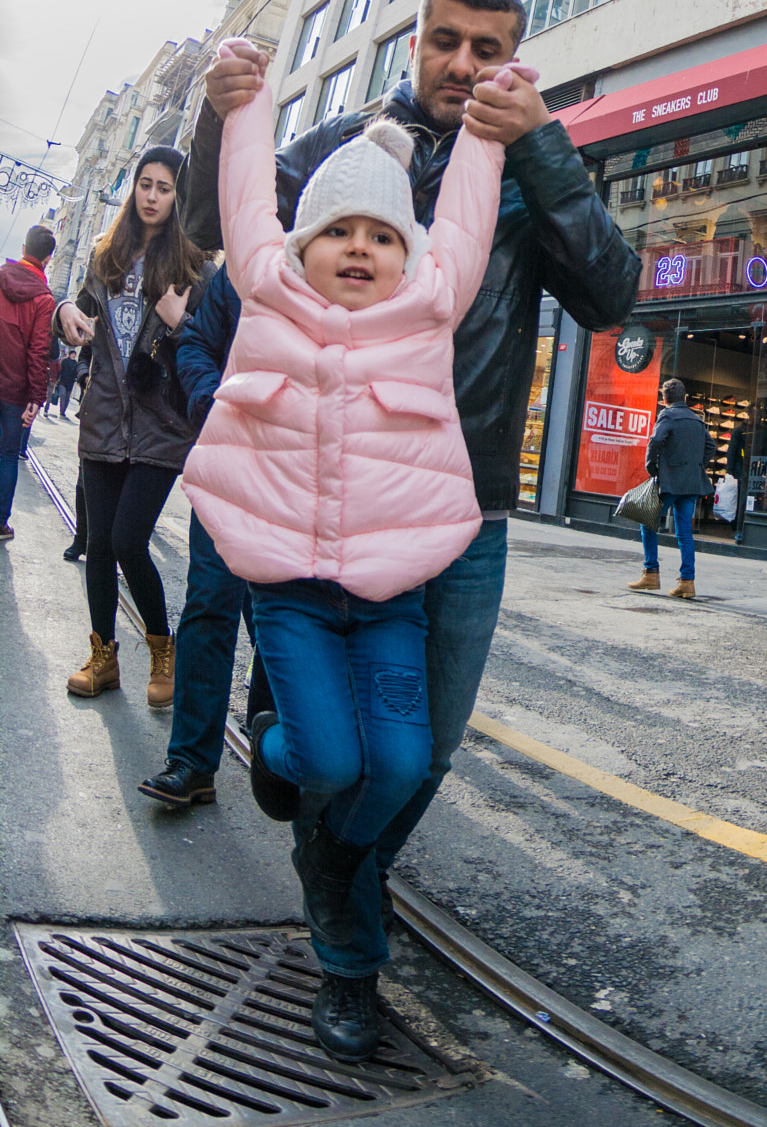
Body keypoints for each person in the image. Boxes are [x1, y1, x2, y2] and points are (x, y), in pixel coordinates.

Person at [179, 0, 639, 1058]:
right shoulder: (343, 140)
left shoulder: (527, 163)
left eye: (490, 47)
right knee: (339, 748)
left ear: (517, 56)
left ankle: (337, 877)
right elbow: (218, 227)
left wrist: (544, 146)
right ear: (419, 42)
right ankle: (349, 957)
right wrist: (219, 110)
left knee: (421, 754)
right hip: (309, 504)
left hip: (463, 502)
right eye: (447, 41)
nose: (465, 66)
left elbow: (613, 295)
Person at [182, 58, 507, 1061]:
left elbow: (461, 219)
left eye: (380, 235)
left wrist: (490, 133)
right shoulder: (266, 289)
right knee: (320, 758)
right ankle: (277, 756)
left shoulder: (429, 306)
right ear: (301, 245)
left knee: (401, 764)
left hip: (390, 593)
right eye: (338, 232)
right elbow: (242, 200)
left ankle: (335, 853)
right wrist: (241, 105)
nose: (360, 248)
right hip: (287, 591)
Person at [59, 145, 212, 704]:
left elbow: (214, 343)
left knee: (128, 540)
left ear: (178, 196)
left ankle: (161, 650)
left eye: (163, 187)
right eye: (144, 184)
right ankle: (103, 659)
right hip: (102, 419)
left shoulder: (196, 265)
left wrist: (180, 324)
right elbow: (77, 311)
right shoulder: (107, 253)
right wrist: (62, 315)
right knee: (99, 543)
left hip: (159, 426)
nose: (151, 196)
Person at [138, 264, 273, 811]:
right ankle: (193, 761)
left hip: (309, 478)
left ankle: (276, 754)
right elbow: (196, 341)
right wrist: (210, 400)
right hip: (231, 461)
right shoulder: (246, 267)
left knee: (284, 616)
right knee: (209, 603)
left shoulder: (356, 260)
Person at [629, 378, 716, 599]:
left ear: (664, 399)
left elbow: (655, 440)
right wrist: (697, 466)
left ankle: (651, 573)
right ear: (685, 398)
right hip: (691, 483)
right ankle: (687, 582)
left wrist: (652, 467)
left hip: (670, 482)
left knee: (647, 522)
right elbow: (711, 446)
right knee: (684, 533)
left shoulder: (667, 415)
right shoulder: (696, 420)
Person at [0, 226, 57, 541]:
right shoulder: (44, 298)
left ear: (23, 249)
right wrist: (37, 396)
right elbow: (38, 352)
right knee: (7, 454)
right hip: (15, 390)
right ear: (48, 260)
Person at [55, 349, 79, 420]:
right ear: (70, 354)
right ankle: (61, 411)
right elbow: (60, 370)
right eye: (73, 354)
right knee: (63, 395)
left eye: (75, 354)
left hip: (70, 383)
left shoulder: (76, 363)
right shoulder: (65, 361)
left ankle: (63, 411)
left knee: (67, 398)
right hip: (63, 381)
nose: (74, 355)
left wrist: (77, 380)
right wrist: (57, 378)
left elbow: (76, 373)